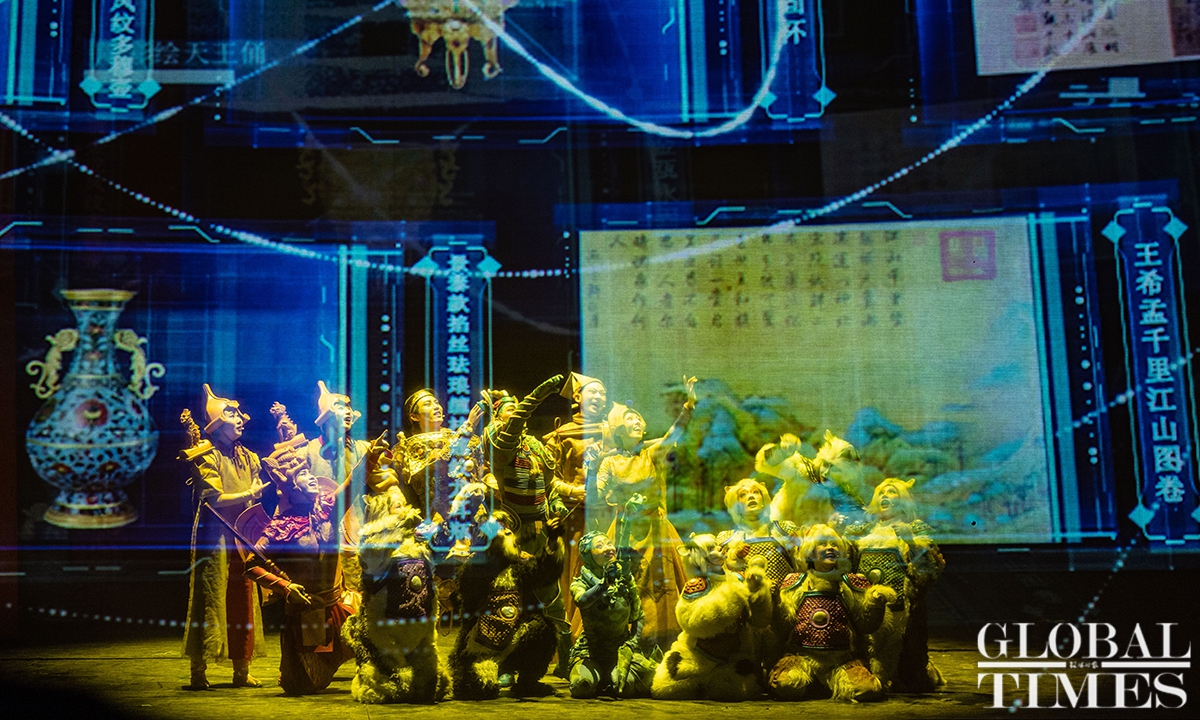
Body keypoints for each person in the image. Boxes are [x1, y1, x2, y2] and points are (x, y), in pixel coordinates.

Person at [243, 434, 396, 695]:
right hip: (307, 614)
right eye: (303, 474)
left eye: (309, 471)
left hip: (339, 607)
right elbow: (251, 565)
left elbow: (354, 482)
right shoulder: (279, 528)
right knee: (302, 685)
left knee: (380, 637)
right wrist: (285, 588)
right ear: (290, 487)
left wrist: (372, 454)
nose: (312, 476)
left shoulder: (327, 509)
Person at [596, 375, 697, 653]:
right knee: (627, 584)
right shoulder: (610, 462)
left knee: (661, 586)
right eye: (630, 418)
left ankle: (663, 642)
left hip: (656, 530)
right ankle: (626, 642)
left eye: (639, 418)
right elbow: (598, 491)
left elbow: (674, 433)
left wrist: (688, 405)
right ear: (619, 429)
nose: (637, 422)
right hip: (626, 530)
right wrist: (601, 487)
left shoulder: (651, 454)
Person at [180, 385, 268, 690]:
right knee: (210, 598)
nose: (241, 419)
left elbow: (254, 495)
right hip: (216, 535)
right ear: (218, 424)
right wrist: (249, 493)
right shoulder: (207, 455)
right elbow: (214, 498)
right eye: (232, 415)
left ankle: (242, 669)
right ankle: (198, 670)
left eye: (240, 415)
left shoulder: (249, 457)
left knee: (243, 597)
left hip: (242, 536)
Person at [543, 373, 612, 631]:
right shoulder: (561, 435)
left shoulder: (614, 432)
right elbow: (545, 477)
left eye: (602, 393)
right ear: (577, 397)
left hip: (608, 513)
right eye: (592, 392)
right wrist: (572, 491)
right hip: (574, 516)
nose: (598, 397)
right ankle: (571, 633)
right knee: (575, 572)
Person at [568, 531, 656, 698]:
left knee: (625, 686)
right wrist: (603, 585)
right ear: (587, 555)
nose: (608, 548)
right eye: (599, 546)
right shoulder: (580, 582)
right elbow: (582, 600)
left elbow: (638, 615)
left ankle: (608, 678)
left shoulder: (625, 580)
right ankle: (598, 677)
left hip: (620, 649)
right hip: (591, 651)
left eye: (609, 543)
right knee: (582, 686)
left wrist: (631, 644)